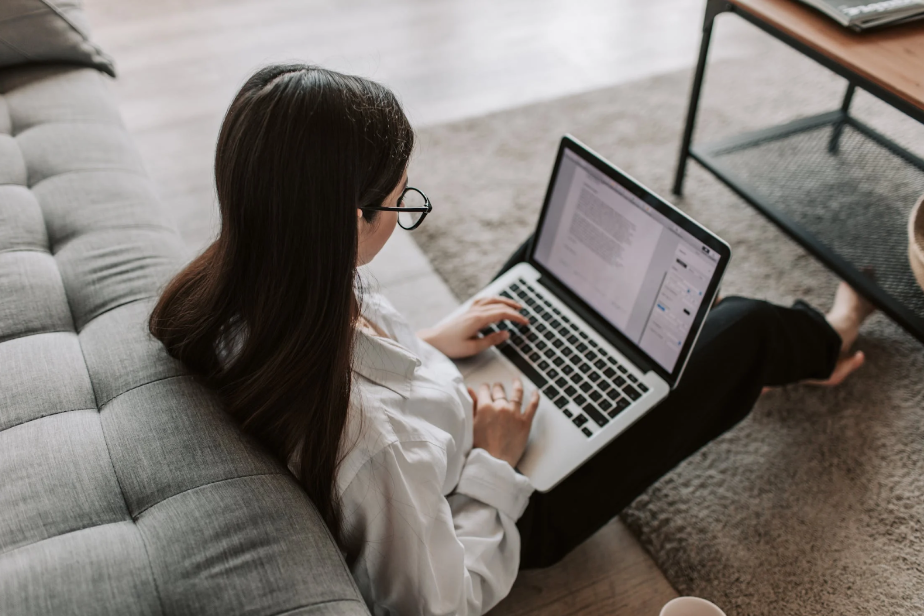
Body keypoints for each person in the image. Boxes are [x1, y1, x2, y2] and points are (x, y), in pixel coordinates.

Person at [149, 64, 875, 615]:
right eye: (402, 201)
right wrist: (495, 465)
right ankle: (828, 341)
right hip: (508, 502)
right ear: (346, 219)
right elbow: (444, 600)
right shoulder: (369, 450)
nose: (406, 208)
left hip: (450, 411)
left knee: (546, 267)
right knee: (741, 329)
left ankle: (667, 329)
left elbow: (359, 371)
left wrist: (429, 344)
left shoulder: (250, 283)